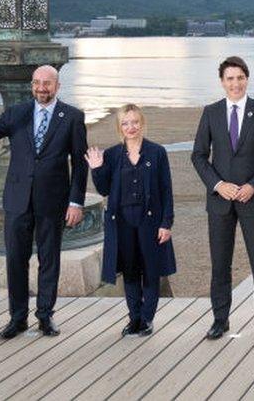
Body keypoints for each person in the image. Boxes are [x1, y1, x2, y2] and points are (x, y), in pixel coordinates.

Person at [0, 65, 87, 340]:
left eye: (47, 83)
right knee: (16, 261)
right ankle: (17, 319)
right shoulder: (16, 114)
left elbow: (79, 163)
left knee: (49, 260)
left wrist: (76, 202)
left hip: (53, 202)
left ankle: (45, 317)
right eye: (37, 83)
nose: (42, 88)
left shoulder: (73, 117)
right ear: (32, 85)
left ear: (57, 86)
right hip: (17, 201)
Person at [192, 56, 254, 341]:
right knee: (220, 264)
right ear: (222, 82)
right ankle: (220, 320)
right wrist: (218, 185)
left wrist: (253, 186)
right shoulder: (211, 112)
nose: (235, 83)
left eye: (240, 77)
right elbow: (198, 156)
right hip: (220, 202)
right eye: (230, 78)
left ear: (247, 79)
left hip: (253, 201)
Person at [85, 104, 177, 336]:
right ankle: (134, 318)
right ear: (119, 127)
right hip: (122, 222)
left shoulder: (157, 152)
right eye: (125, 123)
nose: (131, 127)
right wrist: (96, 169)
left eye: (134, 122)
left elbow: (166, 190)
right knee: (130, 271)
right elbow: (105, 189)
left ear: (142, 123)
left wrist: (166, 223)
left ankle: (147, 319)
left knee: (151, 271)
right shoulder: (113, 155)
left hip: (150, 222)